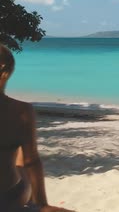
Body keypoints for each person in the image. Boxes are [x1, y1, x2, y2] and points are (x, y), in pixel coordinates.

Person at [0, 44, 71, 212]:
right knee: (23, 155)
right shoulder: (21, 111)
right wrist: (42, 204)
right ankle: (35, 203)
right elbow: (31, 161)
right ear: (6, 71)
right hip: (7, 199)